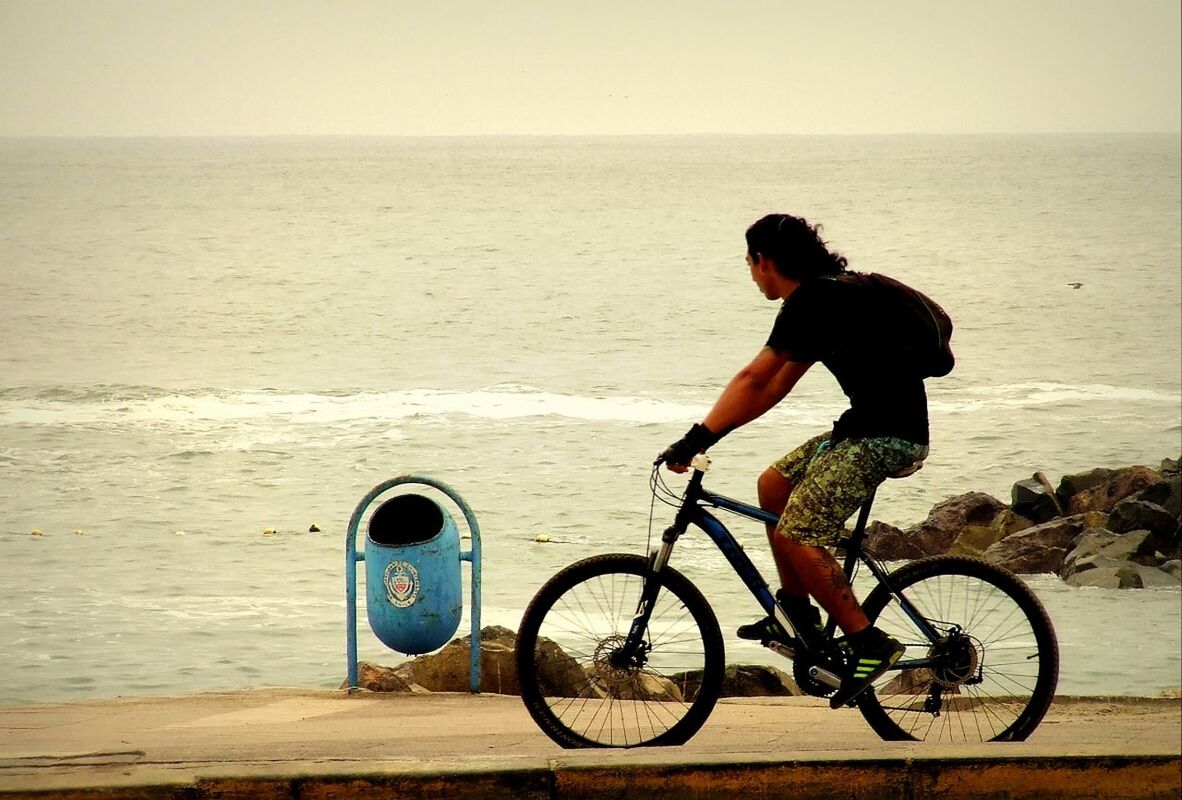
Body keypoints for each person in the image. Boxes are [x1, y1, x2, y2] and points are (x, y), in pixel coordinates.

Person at [657, 213, 931, 709]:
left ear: (764, 261)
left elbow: (751, 377)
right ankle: (797, 615)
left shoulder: (813, 299)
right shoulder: (829, 298)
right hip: (866, 428)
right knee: (773, 486)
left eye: (749, 263)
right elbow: (773, 387)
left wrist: (694, 438)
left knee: (799, 531)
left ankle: (870, 642)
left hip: (887, 437)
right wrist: (709, 440)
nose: (751, 274)